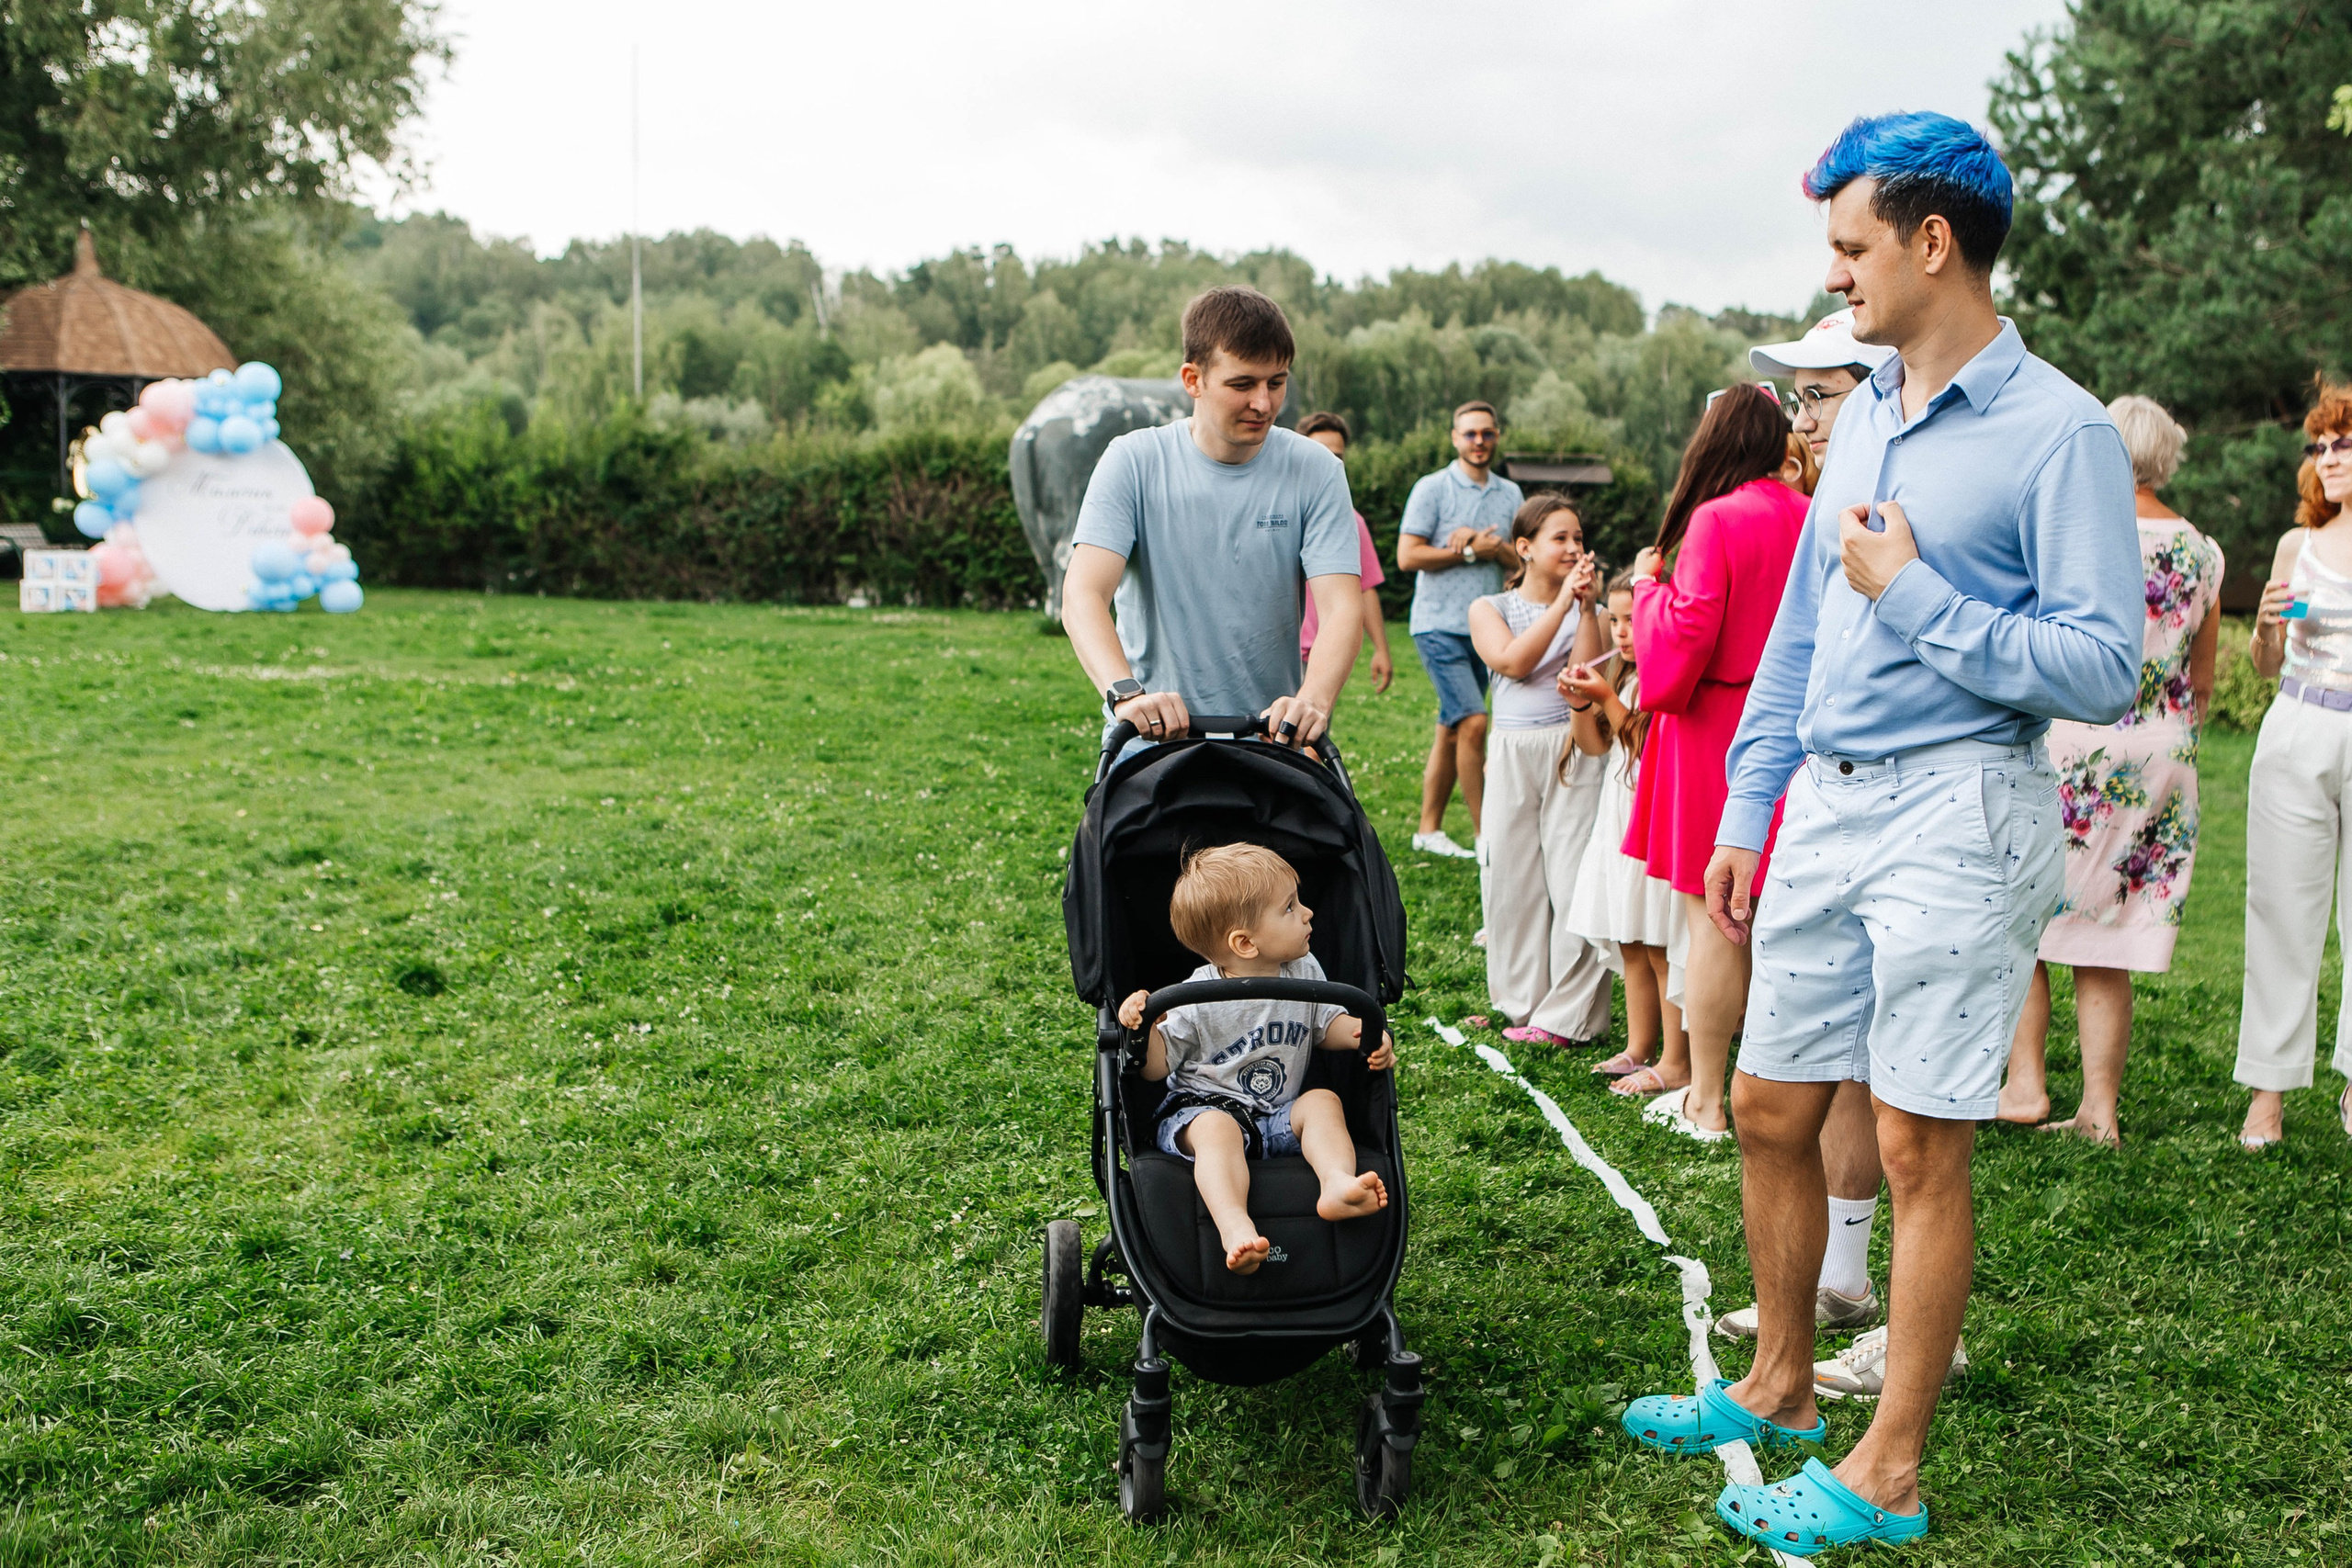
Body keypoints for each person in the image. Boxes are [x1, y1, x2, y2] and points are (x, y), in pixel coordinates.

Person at [1622, 113, 2141, 1557]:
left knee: (1914, 1140)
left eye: (1851, 246)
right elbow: (1797, 629)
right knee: (1775, 1104)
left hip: (1961, 807)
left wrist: (1916, 597)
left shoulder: (2063, 429)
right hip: (1824, 808)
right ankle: (1781, 1382)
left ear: (1931, 241)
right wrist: (1748, 804)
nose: (1836, 273)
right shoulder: (1862, 413)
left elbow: (2105, 665)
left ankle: (1890, 1465)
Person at [1712, 308, 1900, 1354]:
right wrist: (1749, 812)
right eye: (1799, 397)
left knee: (1905, 1086)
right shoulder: (1826, 495)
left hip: (1932, 816)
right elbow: (1793, 657)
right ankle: (1840, 1279)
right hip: (1828, 808)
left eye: (1818, 394)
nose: (1801, 419)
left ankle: (1913, 1317)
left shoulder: (1938, 486)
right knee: (1813, 1067)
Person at [1996, 396, 2222, 1146]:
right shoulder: (2203, 551)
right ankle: (2099, 1109)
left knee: (2026, 912)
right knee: (2110, 933)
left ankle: (2026, 1084)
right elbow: (2204, 681)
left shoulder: (2084, 535)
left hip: (2078, 745)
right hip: (2162, 753)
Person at [1618, 385, 1810, 1142]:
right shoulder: (1809, 512)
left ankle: (1706, 1098)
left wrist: (1643, 588)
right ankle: (1766, 1082)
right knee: (1766, 919)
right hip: (1794, 727)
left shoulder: (1715, 519)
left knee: (1715, 920)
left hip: (1717, 730)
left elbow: (1677, 652)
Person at [1062, 287, 1363, 756]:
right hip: (1152, 745)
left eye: (1276, 382)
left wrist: (1313, 702)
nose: (1263, 403)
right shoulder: (1133, 461)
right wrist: (1126, 694)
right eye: (1242, 385)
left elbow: (1342, 608)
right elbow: (1083, 595)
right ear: (1192, 379)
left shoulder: (1318, 469)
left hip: (1270, 743)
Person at [1114, 844, 1396, 1274]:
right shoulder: (1197, 997)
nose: (1308, 913)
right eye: (1289, 908)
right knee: (1217, 1129)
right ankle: (1234, 1226)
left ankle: (1336, 1183)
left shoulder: (1305, 971)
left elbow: (1326, 1023)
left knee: (1323, 1101)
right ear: (1245, 943)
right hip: (1203, 1111)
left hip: (1274, 1115)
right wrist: (1145, 1028)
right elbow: (1156, 1067)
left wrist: (1364, 1034)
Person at [2235, 376, 2352, 1150]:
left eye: (2343, 442)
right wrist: (2268, 628)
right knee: (2280, 911)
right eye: (2320, 445)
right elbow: (2264, 666)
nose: (2329, 456)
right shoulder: (2295, 543)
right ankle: (2267, 1097)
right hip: (2296, 729)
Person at [1466, 493, 1610, 1045]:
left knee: (1572, 877)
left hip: (1571, 745)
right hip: (1511, 749)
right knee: (1511, 878)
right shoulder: (1489, 608)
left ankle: (1569, 1017)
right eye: (1560, 538)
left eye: (1578, 538)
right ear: (1524, 548)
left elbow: (1584, 676)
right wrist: (1563, 606)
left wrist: (1588, 609)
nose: (1574, 548)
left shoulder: (1582, 607)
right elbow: (1513, 661)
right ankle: (1519, 1004)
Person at [1560, 571, 1688, 1081]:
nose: (1621, 631)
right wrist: (1580, 705)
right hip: (1617, 820)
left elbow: (1647, 746)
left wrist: (1605, 700)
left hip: (1653, 822)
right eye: (1615, 620)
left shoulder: (1667, 680)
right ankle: (1639, 1046)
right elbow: (1597, 746)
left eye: (1634, 620)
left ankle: (1675, 1060)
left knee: (1659, 944)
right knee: (1631, 939)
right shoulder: (1626, 678)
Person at [1398, 401, 1521, 858]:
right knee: (1473, 722)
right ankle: (1487, 837)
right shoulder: (1431, 489)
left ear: (1497, 436)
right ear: (1454, 437)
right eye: (1470, 434)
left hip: (1489, 627)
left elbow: (1520, 560)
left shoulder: (1511, 494)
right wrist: (1466, 552)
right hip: (1438, 625)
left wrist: (1492, 547)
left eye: (1487, 433)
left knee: (1450, 729)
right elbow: (1408, 557)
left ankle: (1428, 829)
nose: (1479, 442)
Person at [1296, 412, 1394, 694]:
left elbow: (1365, 589)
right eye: (1320, 454)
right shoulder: (1273, 514)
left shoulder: (1351, 521)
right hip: (1271, 654)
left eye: (1337, 457)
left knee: (1312, 735)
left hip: (1321, 657)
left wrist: (1381, 650)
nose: (1329, 464)